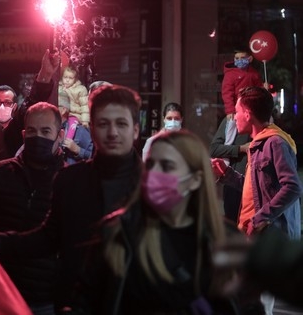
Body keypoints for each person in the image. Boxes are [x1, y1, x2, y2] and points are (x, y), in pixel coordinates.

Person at [0, 84, 143, 312]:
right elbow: (49, 238)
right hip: (73, 304)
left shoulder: (152, 185)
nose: (112, 132)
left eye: (121, 124)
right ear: (91, 129)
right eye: (103, 124)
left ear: (136, 130)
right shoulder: (70, 179)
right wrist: (2, 242)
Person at [96, 130, 236, 314]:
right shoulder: (120, 232)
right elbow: (86, 299)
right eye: (150, 164)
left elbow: (248, 306)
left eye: (167, 166)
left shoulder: (227, 240)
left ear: (195, 180)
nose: (153, 174)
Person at [212, 85, 302, 315]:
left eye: (238, 110)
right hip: (252, 235)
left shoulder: (275, 142)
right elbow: (255, 188)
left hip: (269, 238)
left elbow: (292, 187)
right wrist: (227, 174)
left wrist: (262, 217)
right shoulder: (257, 143)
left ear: (248, 114)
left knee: (262, 306)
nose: (234, 116)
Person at [0, 102, 65, 315]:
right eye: (32, 131)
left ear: (60, 136)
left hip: (48, 299)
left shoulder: (69, 182)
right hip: (1, 294)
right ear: (23, 134)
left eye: (46, 131)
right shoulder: (0, 174)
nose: (38, 138)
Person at [210, 115, 251, 223]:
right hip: (233, 184)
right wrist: (240, 149)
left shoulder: (265, 123)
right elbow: (214, 149)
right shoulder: (232, 119)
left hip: (252, 187)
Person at [221, 48, 264, 147]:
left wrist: (263, 90)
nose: (239, 60)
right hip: (236, 110)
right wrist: (230, 110)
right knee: (231, 128)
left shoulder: (254, 74)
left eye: (242, 58)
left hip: (250, 109)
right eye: (237, 58)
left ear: (250, 59)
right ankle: (227, 151)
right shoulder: (230, 74)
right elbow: (227, 93)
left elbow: (259, 90)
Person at [57, 90, 93, 164]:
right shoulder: (50, 130)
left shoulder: (79, 130)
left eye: (54, 106)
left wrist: (77, 149)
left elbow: (94, 156)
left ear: (63, 110)